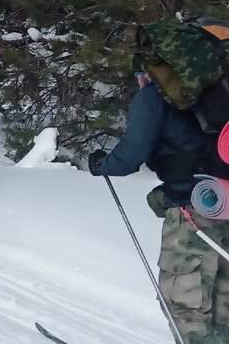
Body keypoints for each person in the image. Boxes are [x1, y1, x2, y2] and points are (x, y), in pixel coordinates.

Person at [89, 66, 225, 343]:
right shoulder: (219, 90)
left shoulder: (155, 94)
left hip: (195, 207)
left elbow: (132, 153)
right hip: (225, 201)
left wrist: (103, 165)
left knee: (185, 301)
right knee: (223, 301)